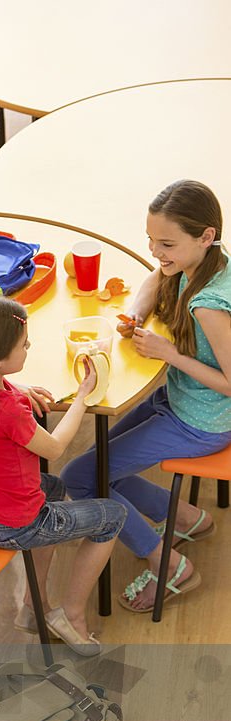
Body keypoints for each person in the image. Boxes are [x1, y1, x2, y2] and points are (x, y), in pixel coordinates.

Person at [61, 180, 231, 613]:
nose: (157, 252)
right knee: (98, 465)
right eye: (152, 240)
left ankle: (171, 566)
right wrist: (135, 312)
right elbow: (154, 280)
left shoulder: (208, 304)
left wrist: (170, 353)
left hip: (200, 423)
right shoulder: (202, 264)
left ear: (206, 236)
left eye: (167, 243)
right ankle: (188, 519)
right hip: (178, 402)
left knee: (81, 478)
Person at [0, 295, 126, 656]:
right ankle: (70, 616)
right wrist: (83, 396)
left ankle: (34, 607)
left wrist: (16, 388)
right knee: (113, 517)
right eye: (23, 344)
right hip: (13, 522)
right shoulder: (9, 412)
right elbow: (54, 448)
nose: (29, 345)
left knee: (55, 486)